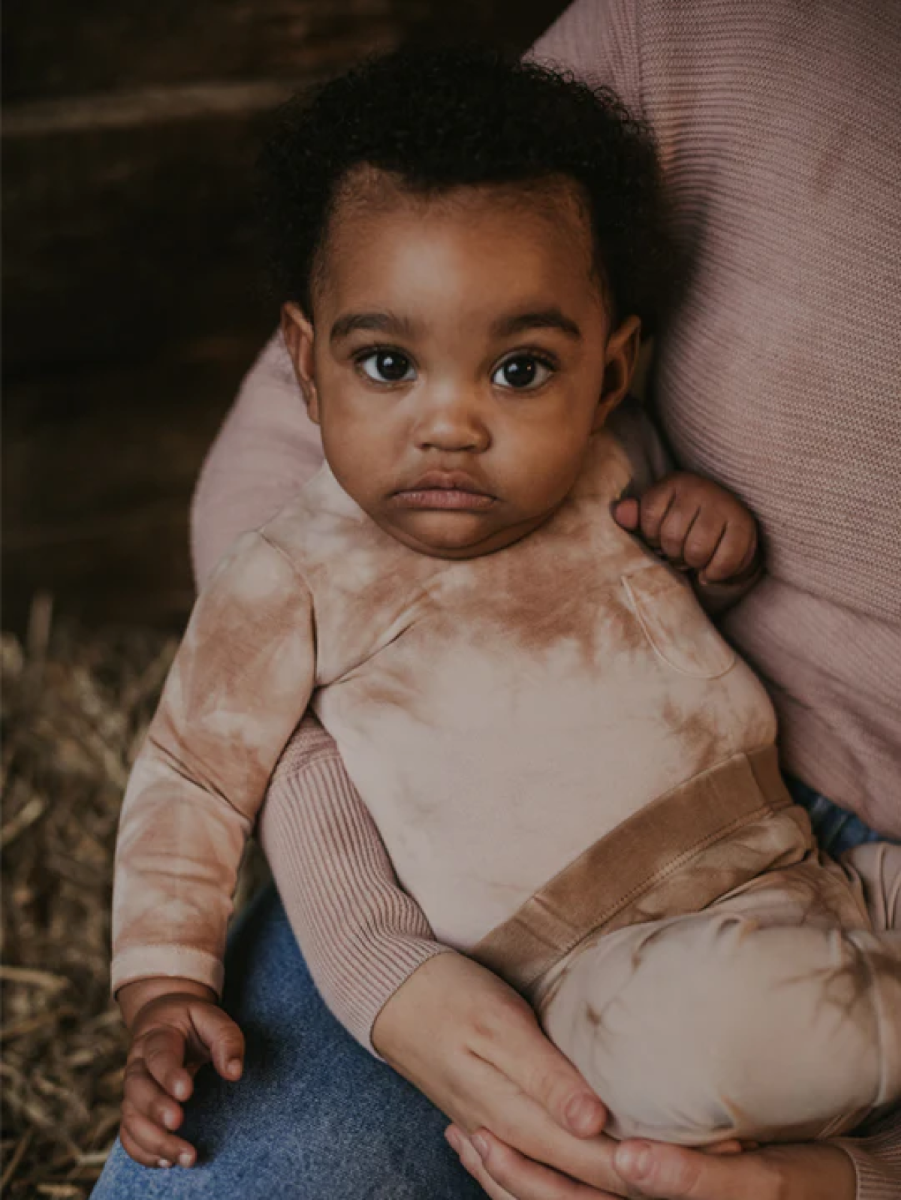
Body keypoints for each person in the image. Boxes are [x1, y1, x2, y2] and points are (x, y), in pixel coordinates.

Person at [92, 2, 901, 1199]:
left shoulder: (613, 461)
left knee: (790, 998)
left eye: (519, 370)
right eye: (386, 364)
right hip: (587, 970)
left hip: (784, 855)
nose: (452, 422)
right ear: (304, 363)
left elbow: (657, 628)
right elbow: (197, 778)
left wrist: (710, 546)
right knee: (723, 1043)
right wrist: (165, 984)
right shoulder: (290, 575)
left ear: (609, 369)